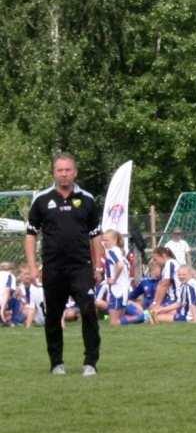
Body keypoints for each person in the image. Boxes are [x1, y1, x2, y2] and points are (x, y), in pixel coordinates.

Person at [25, 152, 103, 376]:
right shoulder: (41, 200)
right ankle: (56, 363)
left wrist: (98, 266)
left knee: (88, 311)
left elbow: (95, 236)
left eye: (68, 170)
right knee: (53, 315)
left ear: (75, 172)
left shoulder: (87, 199)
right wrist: (32, 267)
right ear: (54, 172)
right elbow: (31, 235)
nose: (64, 174)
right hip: (53, 268)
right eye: (60, 170)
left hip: (81, 267)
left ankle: (90, 362)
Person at [102, 229, 131, 326]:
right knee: (119, 319)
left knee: (114, 322)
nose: (104, 242)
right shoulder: (118, 250)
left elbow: (120, 265)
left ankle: (142, 317)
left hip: (117, 288)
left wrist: (113, 279)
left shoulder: (111, 251)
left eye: (107, 240)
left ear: (114, 241)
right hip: (123, 287)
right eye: (103, 240)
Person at [149, 247, 181, 324]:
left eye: (155, 259)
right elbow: (161, 285)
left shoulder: (170, 263)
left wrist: (157, 305)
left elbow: (165, 284)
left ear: (163, 255)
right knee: (151, 312)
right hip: (171, 300)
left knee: (153, 314)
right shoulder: (166, 266)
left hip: (175, 300)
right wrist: (154, 303)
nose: (155, 262)